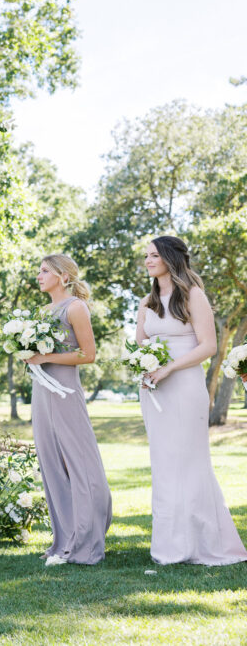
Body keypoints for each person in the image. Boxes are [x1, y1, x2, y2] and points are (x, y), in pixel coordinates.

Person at [136, 236, 247, 565]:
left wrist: (169, 367)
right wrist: (145, 367)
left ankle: (203, 542)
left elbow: (208, 346)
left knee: (189, 462)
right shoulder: (147, 301)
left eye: (154, 255)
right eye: (146, 256)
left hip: (184, 386)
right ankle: (168, 547)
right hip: (154, 390)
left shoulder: (193, 295)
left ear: (170, 258)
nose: (148, 260)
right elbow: (140, 343)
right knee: (164, 464)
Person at [22, 254, 111, 566]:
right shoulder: (41, 311)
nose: (38, 275)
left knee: (78, 461)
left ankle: (87, 540)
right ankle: (64, 539)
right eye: (39, 269)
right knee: (51, 463)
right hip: (41, 391)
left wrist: (44, 358)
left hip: (65, 392)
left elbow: (88, 355)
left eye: (45, 270)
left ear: (62, 276)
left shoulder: (75, 307)